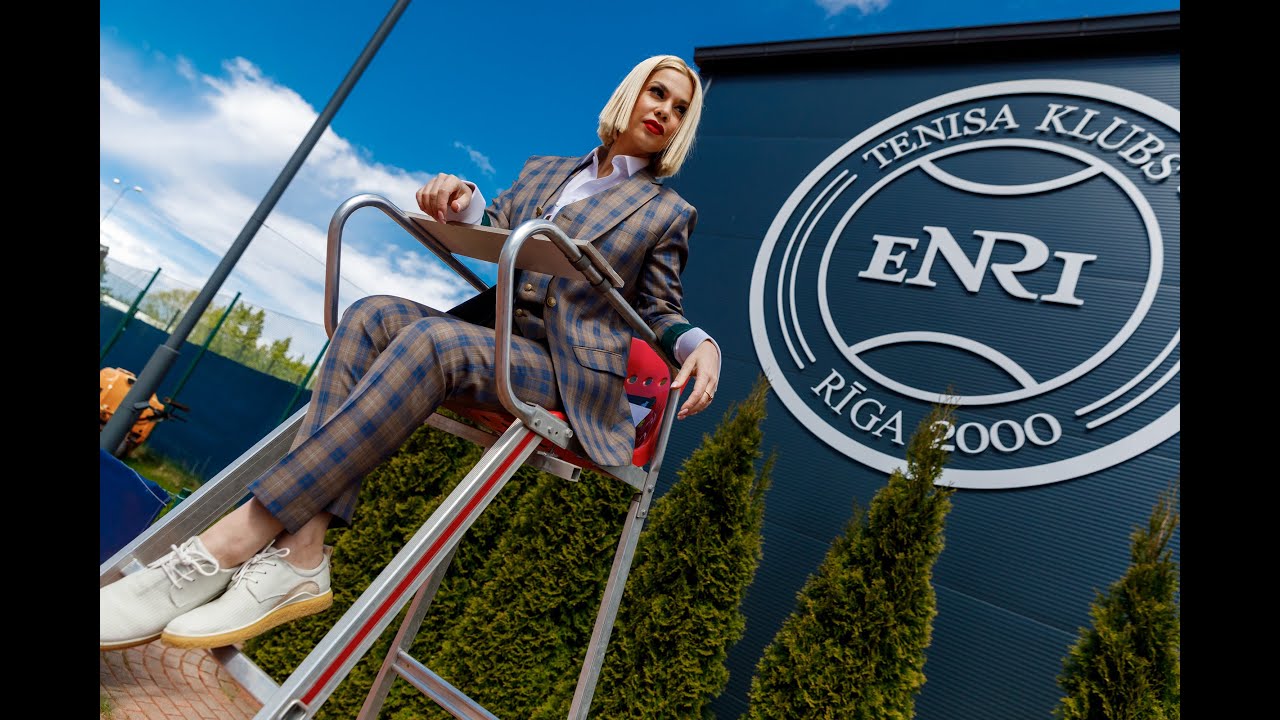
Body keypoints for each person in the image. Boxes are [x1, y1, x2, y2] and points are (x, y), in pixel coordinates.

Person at [100, 54, 721, 652]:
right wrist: (461, 199)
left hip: (563, 372)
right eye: (656, 93)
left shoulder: (667, 212)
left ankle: (227, 543)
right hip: (495, 336)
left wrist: (701, 345)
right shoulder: (545, 170)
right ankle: (300, 552)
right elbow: (493, 224)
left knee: (433, 341)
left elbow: (659, 308)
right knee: (371, 315)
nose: (664, 111)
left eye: (679, 109)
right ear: (630, 93)